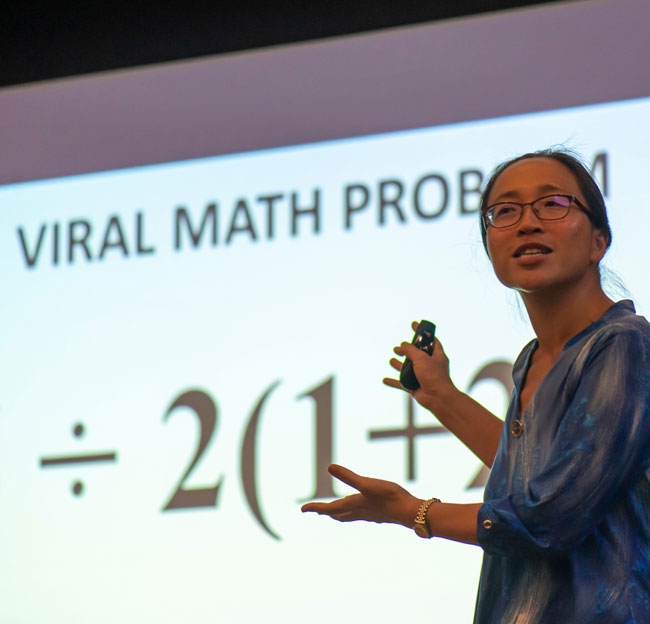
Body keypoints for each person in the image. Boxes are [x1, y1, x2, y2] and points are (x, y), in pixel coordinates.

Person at [301, 149, 650, 623]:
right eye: (505, 211)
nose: (528, 223)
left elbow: (552, 517)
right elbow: (529, 471)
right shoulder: (534, 359)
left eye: (553, 204)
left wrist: (415, 512)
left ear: (598, 241)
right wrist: (442, 397)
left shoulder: (625, 345)